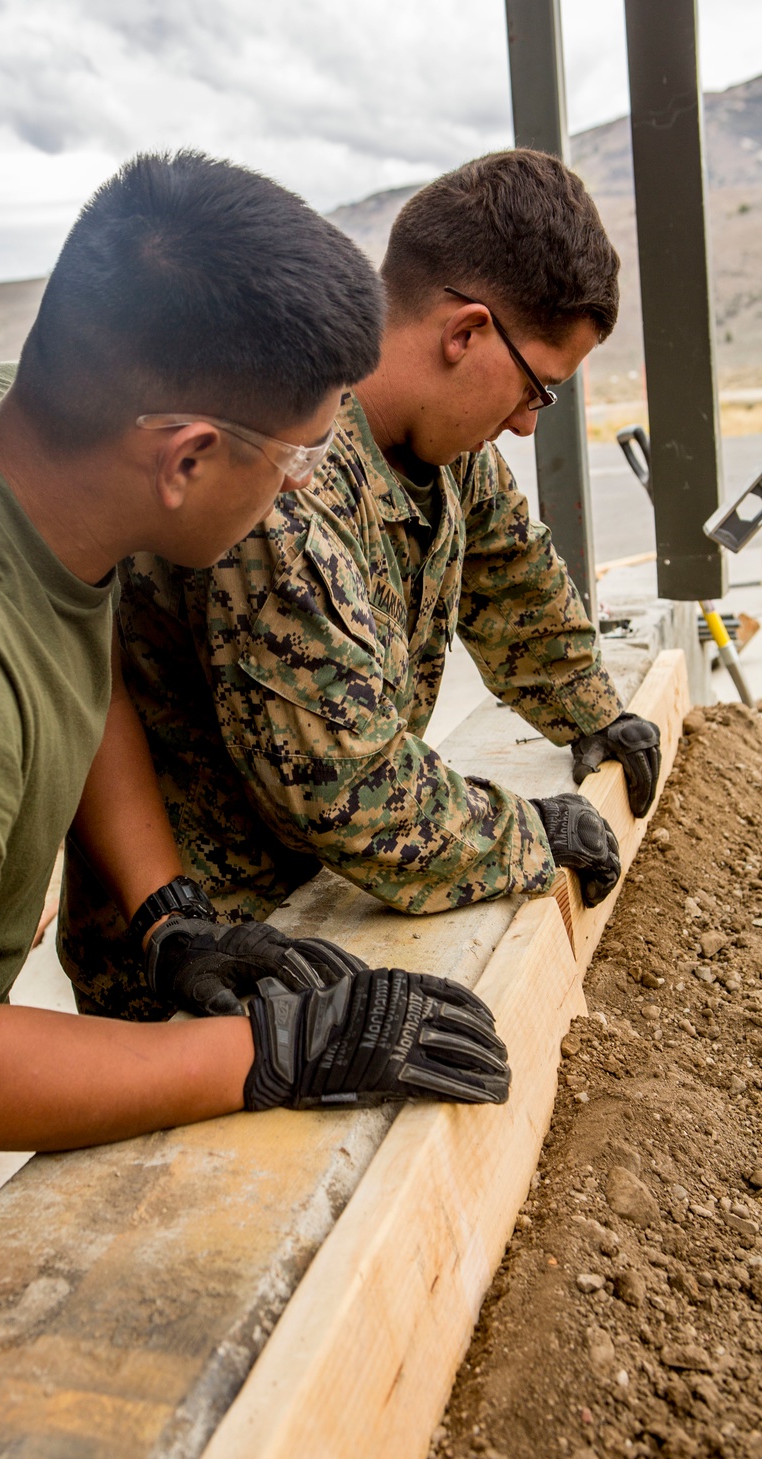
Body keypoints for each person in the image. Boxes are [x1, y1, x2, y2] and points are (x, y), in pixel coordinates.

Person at [0, 151, 515, 1420]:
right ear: (184, 458)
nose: (293, 496)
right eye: (288, 461)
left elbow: (77, 626)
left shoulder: (11, 437)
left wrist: (168, 911)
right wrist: (272, 1052)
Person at [60, 149, 662, 1022]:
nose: (531, 423)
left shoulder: (445, 453)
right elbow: (349, 789)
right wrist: (530, 833)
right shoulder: (280, 476)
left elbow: (510, 570)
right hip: (203, 955)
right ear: (466, 333)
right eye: (540, 387)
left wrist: (592, 710)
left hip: (317, 907)